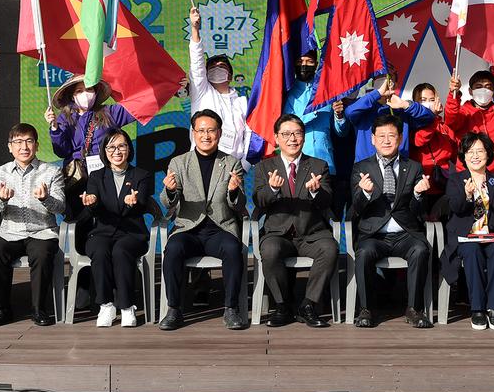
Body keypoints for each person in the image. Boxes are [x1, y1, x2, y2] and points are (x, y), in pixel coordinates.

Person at [157, 109, 248, 331]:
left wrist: (234, 191)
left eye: (211, 130)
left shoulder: (231, 163)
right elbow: (168, 203)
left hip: (220, 227)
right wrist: (169, 191)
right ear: (193, 133)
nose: (206, 135)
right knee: (173, 249)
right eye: (201, 130)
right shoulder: (179, 162)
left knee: (233, 249)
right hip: (189, 228)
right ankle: (174, 310)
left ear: (219, 133)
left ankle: (231, 309)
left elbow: (240, 204)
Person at [252, 114, 338, 328]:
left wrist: (317, 192)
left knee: (330, 249)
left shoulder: (318, 165)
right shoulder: (265, 167)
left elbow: (328, 201)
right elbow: (259, 200)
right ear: (276, 138)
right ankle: (282, 306)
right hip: (278, 234)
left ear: (304, 137)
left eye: (298, 133)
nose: (292, 139)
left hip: (312, 233)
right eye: (286, 134)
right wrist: (272, 189)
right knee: (270, 251)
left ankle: (308, 305)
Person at [348, 113, 433, 329]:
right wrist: (365, 193)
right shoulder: (361, 168)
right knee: (364, 252)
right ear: (373, 139)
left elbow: (419, 211)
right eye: (382, 136)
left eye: (392, 136)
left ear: (400, 138)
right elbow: (355, 209)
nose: (387, 140)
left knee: (421, 250)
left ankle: (414, 309)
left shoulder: (413, 167)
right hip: (374, 234)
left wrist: (418, 195)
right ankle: (366, 309)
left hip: (405, 233)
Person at [0, 123, 65, 327]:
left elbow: (60, 207)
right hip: (10, 232)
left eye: (29, 141)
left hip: (42, 231)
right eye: (18, 142)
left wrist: (46, 198)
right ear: (9, 147)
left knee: (42, 253)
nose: (24, 147)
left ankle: (39, 309)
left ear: (37, 145)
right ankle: (1, 309)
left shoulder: (52, 172)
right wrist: (1, 200)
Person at [80, 128, 154, 328]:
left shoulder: (142, 175)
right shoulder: (96, 176)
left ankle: (127, 306)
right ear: (104, 151)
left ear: (129, 149)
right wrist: (92, 202)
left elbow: (143, 202)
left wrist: (134, 202)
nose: (117, 151)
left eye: (121, 146)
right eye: (111, 147)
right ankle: (106, 305)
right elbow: (94, 205)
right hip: (102, 231)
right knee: (100, 250)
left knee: (121, 251)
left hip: (132, 233)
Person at [443, 132, 494, 331]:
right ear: (464, 156)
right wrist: (467, 195)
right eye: (470, 151)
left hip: (492, 235)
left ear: (488, 154)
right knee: (472, 251)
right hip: (466, 237)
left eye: (480, 151)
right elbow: (455, 208)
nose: (475, 156)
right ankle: (477, 309)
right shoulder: (456, 180)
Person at [44, 74, 136, 220]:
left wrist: (172, 88)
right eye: (79, 91)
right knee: (80, 218)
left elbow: (138, 107)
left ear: (96, 93)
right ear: (72, 96)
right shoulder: (64, 118)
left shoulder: (109, 113)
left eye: (89, 90)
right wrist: (55, 129)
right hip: (77, 176)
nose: (85, 94)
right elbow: (62, 151)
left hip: (106, 174)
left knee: (108, 216)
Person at [188, 6, 250, 166]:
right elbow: (196, 63)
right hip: (202, 161)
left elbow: (250, 135)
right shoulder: (202, 91)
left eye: (222, 67)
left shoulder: (243, 102)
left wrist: (244, 165)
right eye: (212, 67)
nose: (217, 69)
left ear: (230, 75)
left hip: (233, 167)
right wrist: (195, 29)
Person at [344, 67, 435, 162]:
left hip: (398, 167)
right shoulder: (365, 107)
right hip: (367, 169)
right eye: (380, 77)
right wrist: (377, 94)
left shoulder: (402, 109)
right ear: (373, 83)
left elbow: (428, 117)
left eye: (388, 77)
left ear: (395, 84)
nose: (384, 82)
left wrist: (405, 105)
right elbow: (349, 113)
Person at [282, 50, 346, 172]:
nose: (304, 65)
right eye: (300, 61)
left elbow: (341, 132)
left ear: (316, 64)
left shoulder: (327, 91)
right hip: (297, 163)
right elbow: (288, 126)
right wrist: (314, 110)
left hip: (326, 161)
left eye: (309, 61)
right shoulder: (288, 94)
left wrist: (339, 115)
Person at [409, 82, 457, 221]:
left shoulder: (443, 126)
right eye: (423, 100)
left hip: (442, 185)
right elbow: (419, 140)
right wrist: (432, 118)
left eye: (431, 99)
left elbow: (453, 153)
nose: (428, 103)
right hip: (420, 186)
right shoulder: (411, 125)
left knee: (443, 227)